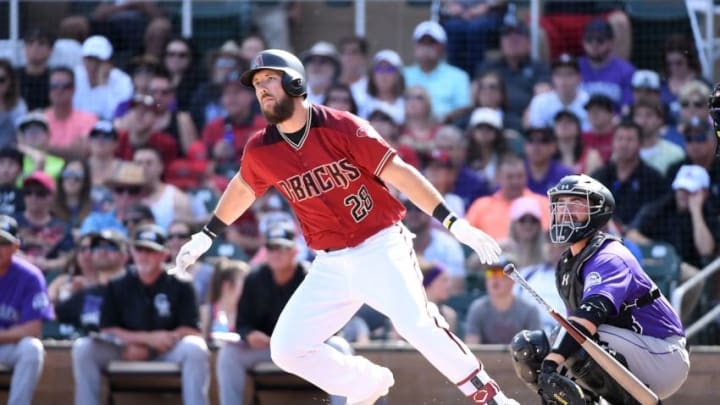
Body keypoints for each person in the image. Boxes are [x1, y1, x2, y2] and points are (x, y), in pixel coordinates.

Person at [175, 49, 518, 405]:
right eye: (257, 84)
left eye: (269, 80)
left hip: (380, 245)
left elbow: (399, 172)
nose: (261, 89)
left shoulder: (341, 126)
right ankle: (363, 382)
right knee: (287, 348)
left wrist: (452, 221)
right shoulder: (261, 148)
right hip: (330, 263)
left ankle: (492, 398)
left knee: (417, 325)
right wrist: (206, 234)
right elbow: (243, 187)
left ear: (295, 82)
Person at [509, 174, 689, 404]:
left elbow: (588, 318)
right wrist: (549, 372)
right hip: (622, 350)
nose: (565, 212)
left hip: (663, 355)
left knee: (571, 340)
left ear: (597, 211)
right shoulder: (566, 264)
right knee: (530, 348)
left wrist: (552, 362)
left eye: (575, 204)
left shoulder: (610, 255)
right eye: (560, 204)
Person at [72, 224, 210, 405]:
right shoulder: (117, 284)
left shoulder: (182, 283)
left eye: (151, 251)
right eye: (140, 250)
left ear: (164, 254)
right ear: (131, 252)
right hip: (127, 349)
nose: (144, 256)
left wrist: (156, 345)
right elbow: (107, 330)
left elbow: (192, 330)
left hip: (167, 349)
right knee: (84, 348)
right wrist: (148, 339)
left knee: (195, 348)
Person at [215, 224, 349, 405]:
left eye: (282, 248)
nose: (276, 253)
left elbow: (333, 324)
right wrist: (250, 334)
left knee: (339, 346)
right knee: (229, 354)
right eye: (271, 248)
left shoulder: (312, 277)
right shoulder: (254, 278)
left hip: (307, 349)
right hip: (267, 349)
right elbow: (243, 323)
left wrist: (302, 340)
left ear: (295, 251)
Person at [0, 215, 53, 405]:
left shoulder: (30, 277)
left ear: (16, 246)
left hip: (9, 347)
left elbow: (33, 329)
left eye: (3, 243)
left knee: (32, 348)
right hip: (10, 337)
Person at [404, 21, 472, 122]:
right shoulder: (403, 74)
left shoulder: (459, 76)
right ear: (415, 47)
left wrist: (443, 119)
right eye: (422, 42)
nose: (426, 47)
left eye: (432, 42)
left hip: (445, 129)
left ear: (443, 48)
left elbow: (464, 108)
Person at [464, 260, 541, 344]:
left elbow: (536, 346)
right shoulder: (478, 308)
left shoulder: (529, 311)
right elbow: (473, 347)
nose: (494, 278)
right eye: (490, 273)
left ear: (513, 279)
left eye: (500, 273)